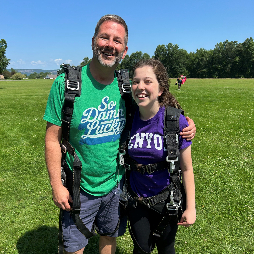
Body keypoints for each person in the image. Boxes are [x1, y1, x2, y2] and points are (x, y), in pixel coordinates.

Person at [43, 15, 196, 254]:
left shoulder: (127, 86)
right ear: (93, 41)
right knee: (73, 248)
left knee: (108, 240)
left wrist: (184, 121)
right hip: (77, 186)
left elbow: (156, 106)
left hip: (117, 184)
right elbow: (52, 139)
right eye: (104, 37)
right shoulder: (67, 84)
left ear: (124, 50)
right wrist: (56, 185)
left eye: (117, 40)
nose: (110, 45)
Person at [125, 59, 196, 254]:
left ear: (161, 89)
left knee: (166, 248)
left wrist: (191, 208)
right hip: (136, 199)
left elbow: (187, 169)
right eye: (136, 81)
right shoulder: (128, 118)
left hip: (167, 199)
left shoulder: (174, 121)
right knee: (140, 249)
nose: (140, 87)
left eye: (148, 81)